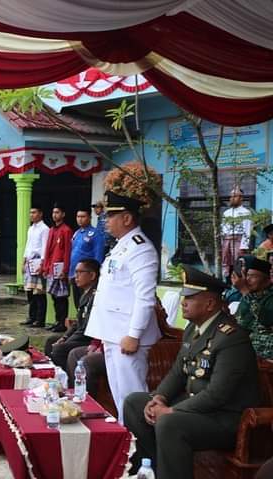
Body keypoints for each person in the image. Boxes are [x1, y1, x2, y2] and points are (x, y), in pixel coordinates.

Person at [124, 265, 259, 479]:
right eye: (183, 297)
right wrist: (159, 397)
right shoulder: (193, 329)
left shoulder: (231, 338)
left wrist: (171, 411)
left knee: (170, 423)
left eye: (190, 298)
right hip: (199, 408)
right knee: (135, 403)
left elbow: (217, 394)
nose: (183, 302)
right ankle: (152, 471)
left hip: (227, 419)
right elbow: (178, 371)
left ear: (209, 304)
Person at [85, 191, 159, 423]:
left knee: (132, 395)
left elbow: (145, 298)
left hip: (127, 336)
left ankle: (141, 447)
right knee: (119, 395)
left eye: (111, 216)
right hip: (112, 333)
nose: (106, 221)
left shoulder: (141, 249)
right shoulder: (121, 246)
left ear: (127, 219)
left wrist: (133, 334)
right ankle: (127, 440)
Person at [44, 258, 99, 369]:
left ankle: (70, 380)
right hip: (81, 335)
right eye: (75, 272)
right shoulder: (85, 294)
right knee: (51, 341)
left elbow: (85, 328)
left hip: (88, 338)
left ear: (92, 275)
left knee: (59, 349)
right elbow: (78, 322)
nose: (76, 276)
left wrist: (66, 341)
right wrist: (64, 337)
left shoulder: (96, 296)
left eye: (80, 272)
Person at [234, 255, 273, 359]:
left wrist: (245, 292)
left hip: (265, 356)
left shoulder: (270, 297)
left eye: (253, 276)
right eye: (246, 275)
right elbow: (241, 324)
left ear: (267, 281)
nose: (247, 280)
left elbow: (266, 319)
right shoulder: (247, 297)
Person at [42, 204, 73, 333]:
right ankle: (57, 321)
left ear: (63, 214)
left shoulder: (66, 230)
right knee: (54, 297)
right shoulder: (51, 230)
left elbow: (67, 251)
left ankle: (62, 322)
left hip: (60, 269)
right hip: (51, 268)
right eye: (54, 212)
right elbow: (47, 250)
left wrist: (65, 270)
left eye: (58, 212)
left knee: (61, 298)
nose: (55, 215)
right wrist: (45, 267)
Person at [69, 208, 105, 307]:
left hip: (87, 275)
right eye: (78, 217)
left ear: (89, 218)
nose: (80, 219)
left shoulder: (95, 234)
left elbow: (98, 256)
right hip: (75, 273)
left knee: (87, 302)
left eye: (83, 217)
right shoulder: (76, 233)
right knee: (77, 302)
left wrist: (96, 274)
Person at [20, 206, 49, 327]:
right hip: (29, 262)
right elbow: (28, 245)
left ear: (40, 214)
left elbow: (44, 247)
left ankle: (40, 319)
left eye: (34, 212)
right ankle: (31, 317)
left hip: (38, 261)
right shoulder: (31, 228)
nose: (31, 215)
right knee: (30, 292)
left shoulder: (45, 229)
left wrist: (42, 264)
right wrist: (24, 261)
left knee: (39, 292)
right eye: (30, 212)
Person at [222, 187, 252, 281]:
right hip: (227, 240)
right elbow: (223, 229)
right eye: (231, 196)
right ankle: (227, 282)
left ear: (241, 198)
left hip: (238, 240)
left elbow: (247, 230)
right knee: (226, 262)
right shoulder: (226, 213)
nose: (232, 198)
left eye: (235, 196)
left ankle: (238, 282)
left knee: (238, 262)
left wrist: (243, 246)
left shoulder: (246, 212)